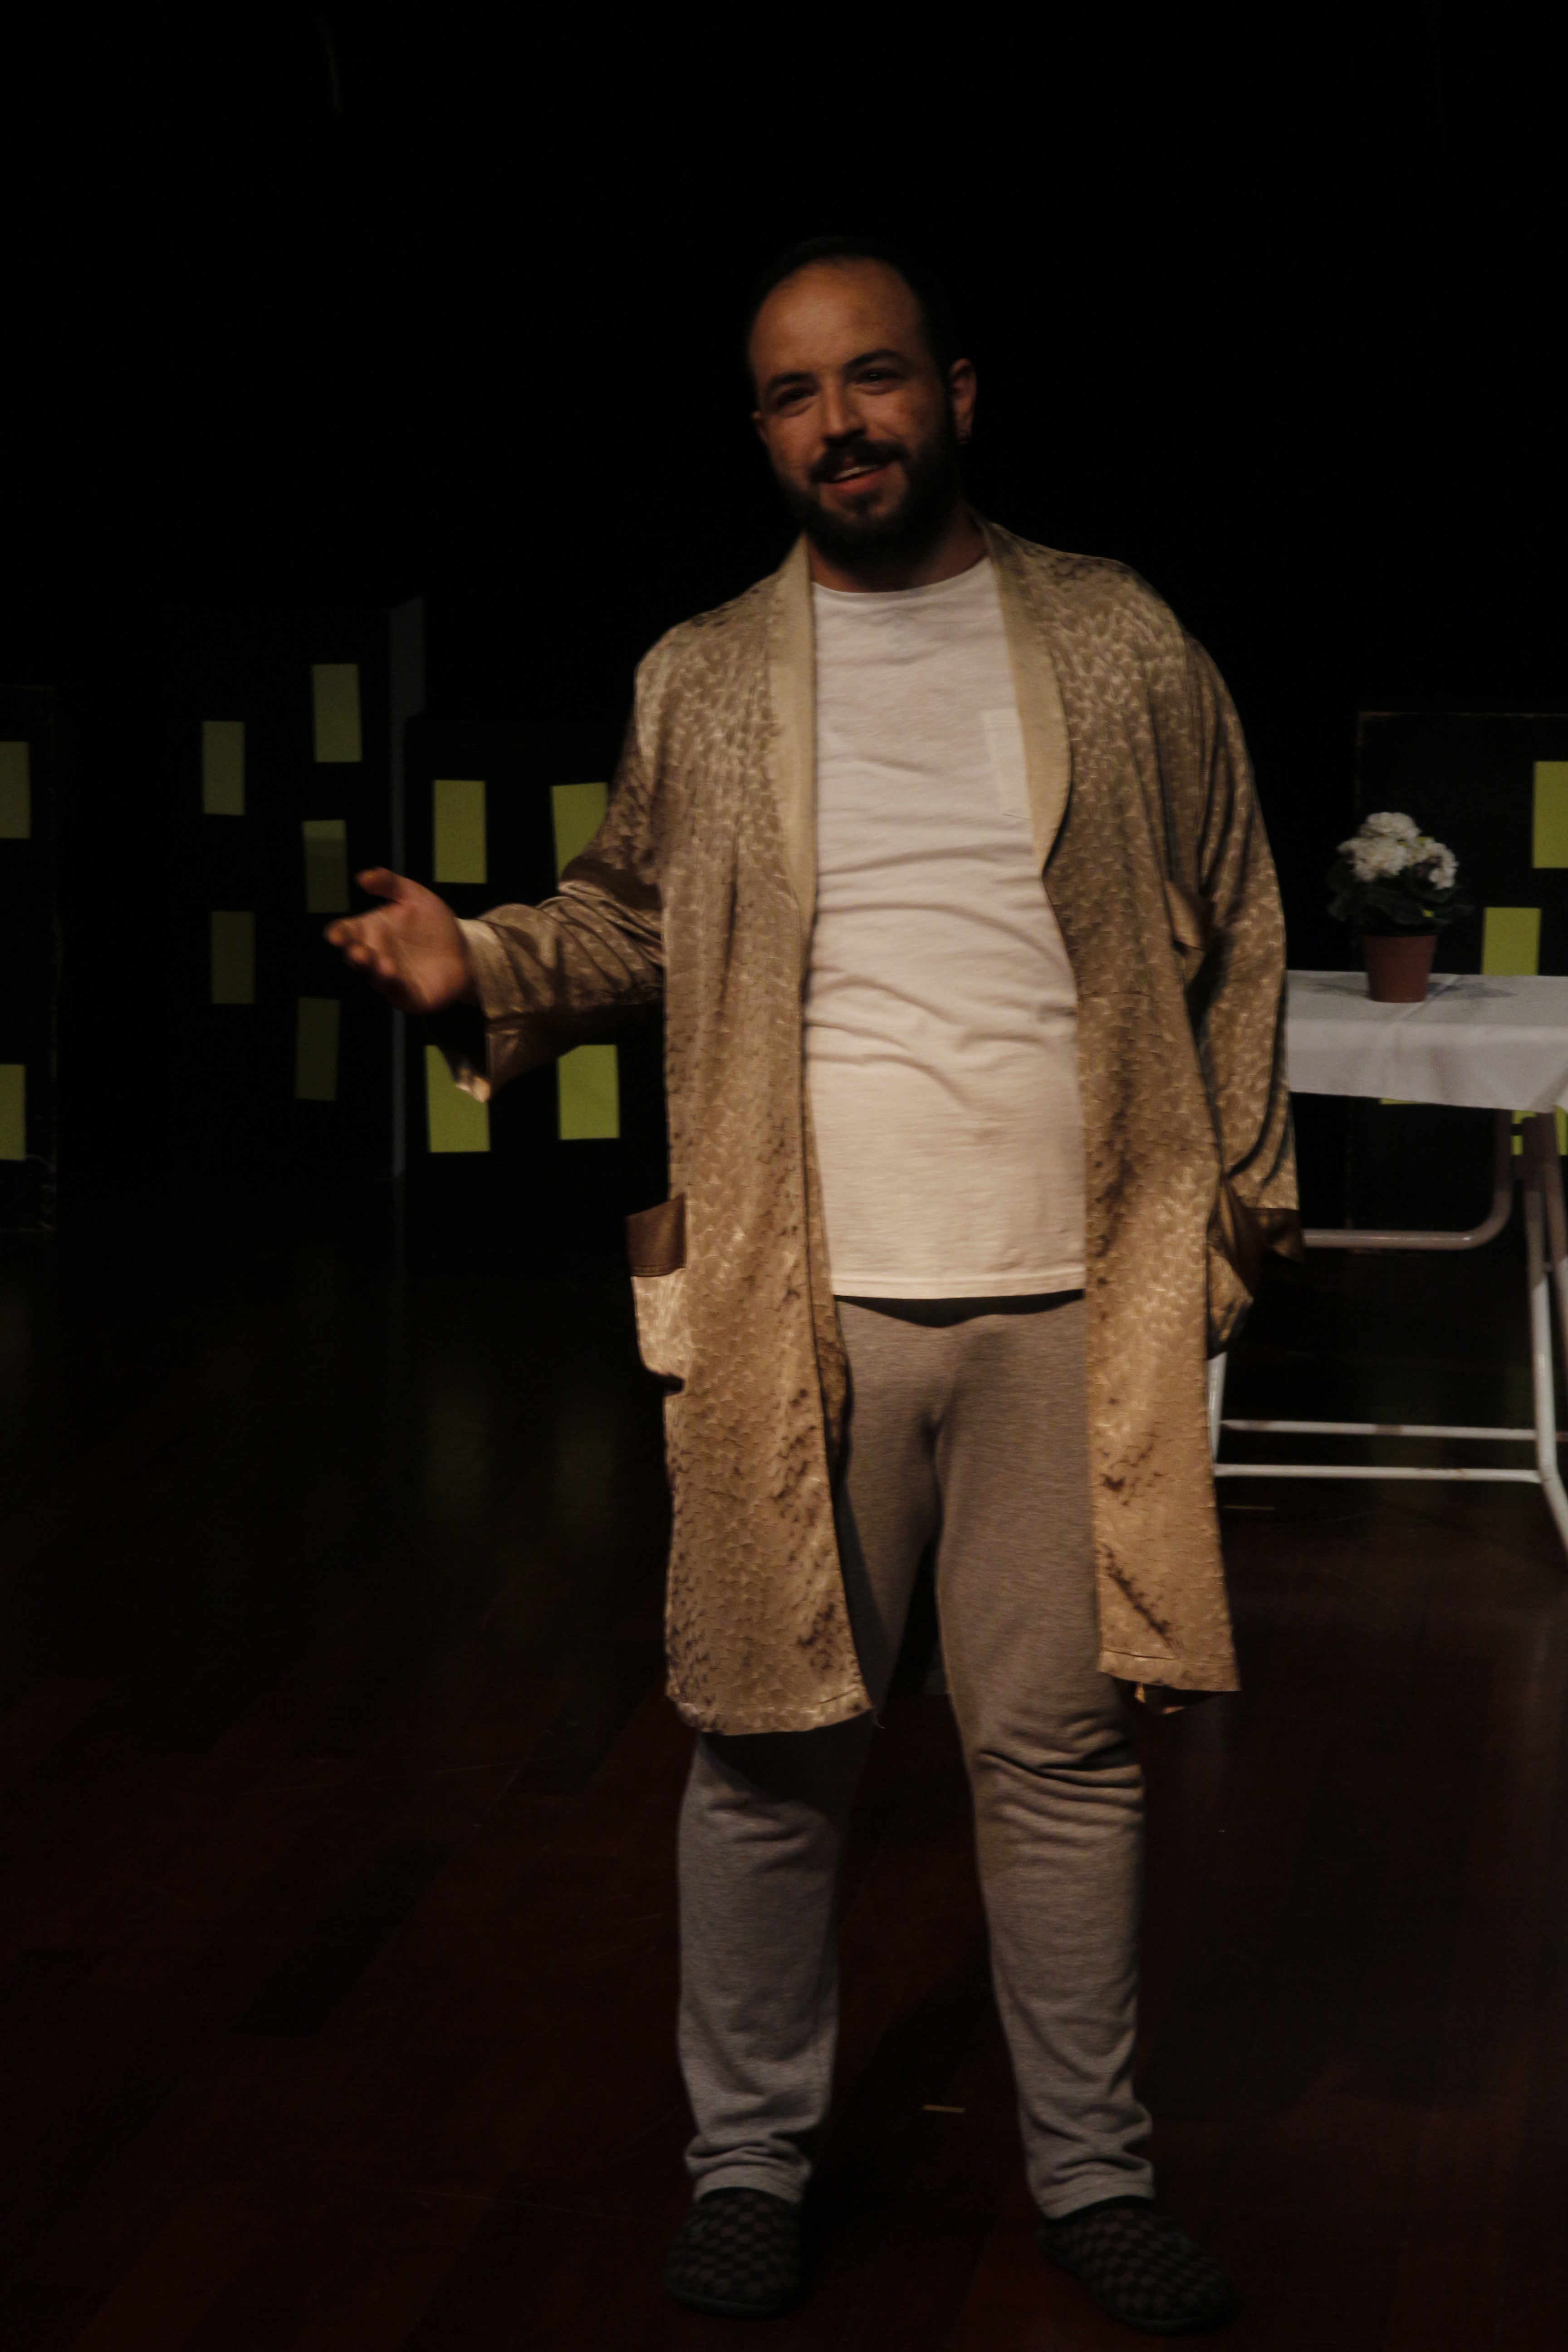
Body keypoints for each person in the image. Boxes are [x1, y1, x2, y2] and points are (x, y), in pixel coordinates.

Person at [327, 234, 1298, 2333]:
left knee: (1062, 1754)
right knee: (769, 1755)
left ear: (959, 391)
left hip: (1074, 1303)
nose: (839, 423)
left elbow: (1239, 914)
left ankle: (1094, 2177)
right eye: (792, 393)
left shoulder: (1117, 634)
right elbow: (624, 917)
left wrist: (1228, 1219)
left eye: (874, 378)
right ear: (762, 431)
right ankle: (750, 2168)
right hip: (808, 1298)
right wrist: (471, 962)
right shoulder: (705, 676)